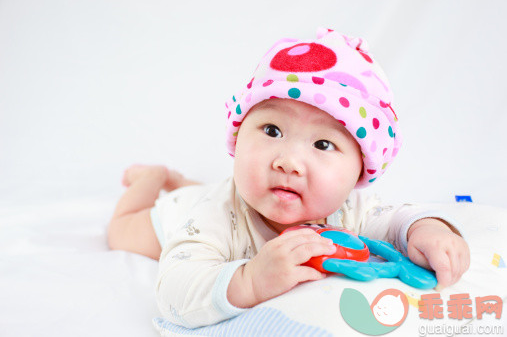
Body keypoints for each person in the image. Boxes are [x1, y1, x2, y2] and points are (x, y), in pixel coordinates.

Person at [107, 28, 470, 328]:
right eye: (272, 130)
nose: (289, 162)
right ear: (238, 135)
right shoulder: (210, 217)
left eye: (323, 143)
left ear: (360, 171)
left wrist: (428, 230)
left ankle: (181, 179)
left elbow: (393, 220)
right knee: (119, 231)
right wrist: (249, 280)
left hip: (208, 194)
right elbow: (174, 289)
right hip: (174, 215)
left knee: (202, 190)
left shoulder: (347, 209)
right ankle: (155, 177)